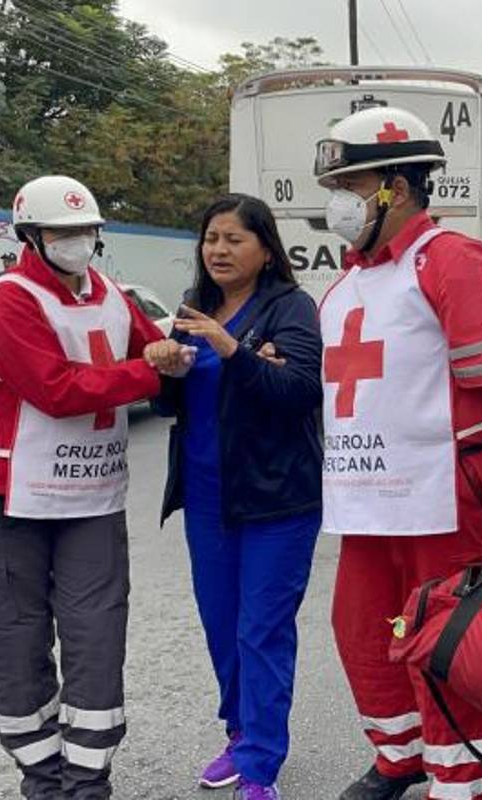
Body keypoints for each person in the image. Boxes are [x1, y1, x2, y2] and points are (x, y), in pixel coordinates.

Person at [313, 107, 482, 800]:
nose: (338, 199)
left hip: (447, 492)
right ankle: (403, 758)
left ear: (396, 185)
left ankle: (463, 782)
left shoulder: (451, 261)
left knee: (456, 643)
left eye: (351, 182)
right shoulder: (350, 279)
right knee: (363, 632)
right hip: (368, 498)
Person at [0, 174, 185, 800]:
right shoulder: (7, 300)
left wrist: (175, 357)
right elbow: (55, 390)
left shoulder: (112, 294)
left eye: (87, 232)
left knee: (96, 641)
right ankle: (42, 780)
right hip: (7, 501)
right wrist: (149, 368)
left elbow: (155, 353)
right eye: (64, 232)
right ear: (32, 237)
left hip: (91, 499)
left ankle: (89, 781)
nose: (78, 242)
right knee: (17, 643)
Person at [148, 194, 323, 800]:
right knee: (222, 627)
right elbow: (172, 405)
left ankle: (260, 765)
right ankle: (240, 732)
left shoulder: (290, 309)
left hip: (277, 502)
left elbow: (298, 390)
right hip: (206, 499)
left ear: (266, 249)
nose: (218, 250)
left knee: (262, 630)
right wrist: (165, 372)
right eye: (210, 238)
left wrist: (234, 351)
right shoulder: (192, 308)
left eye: (234, 240)